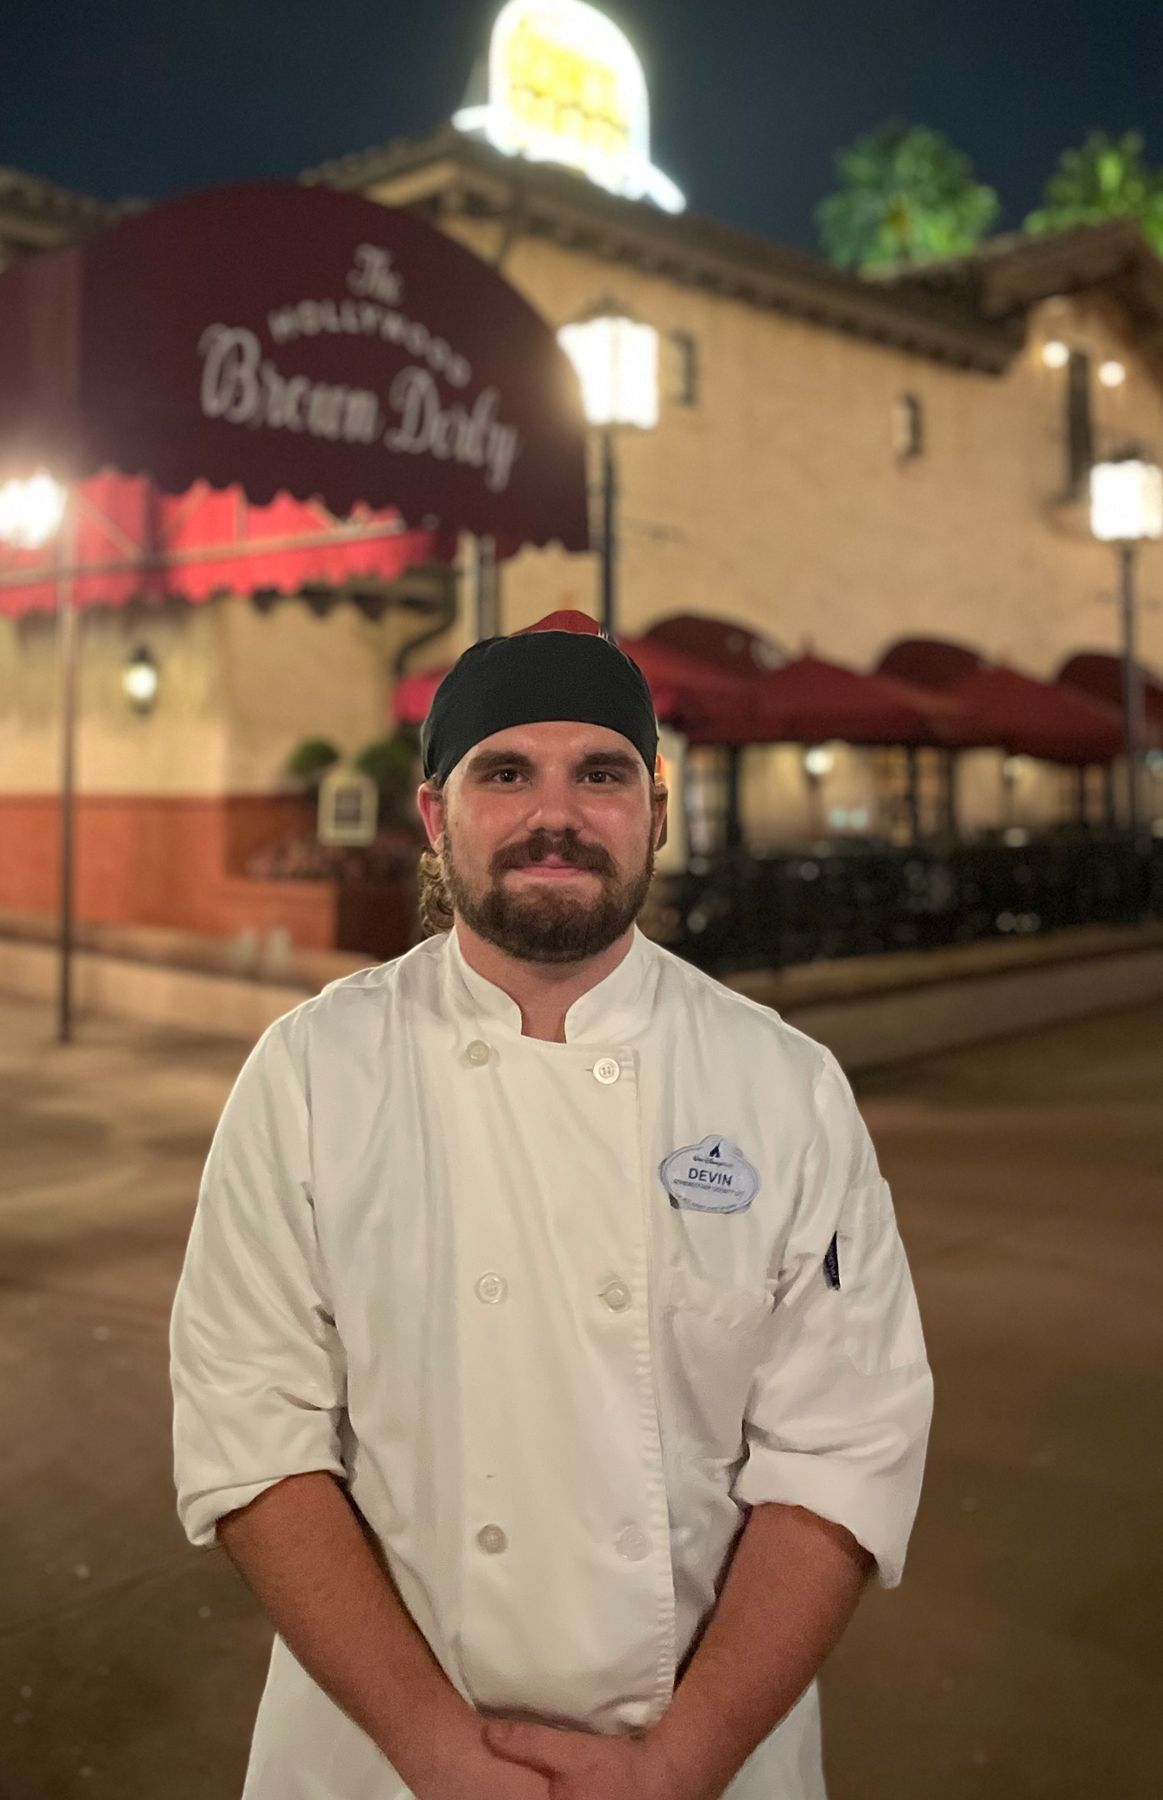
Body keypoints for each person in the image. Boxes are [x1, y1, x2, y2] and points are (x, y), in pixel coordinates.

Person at [170, 610, 932, 1800]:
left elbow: (842, 1453)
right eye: (506, 771)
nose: (556, 815)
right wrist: (432, 1749)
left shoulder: (784, 1087)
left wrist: (680, 1764)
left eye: (603, 773)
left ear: (657, 812)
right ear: (436, 814)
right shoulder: (312, 1074)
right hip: (377, 1761)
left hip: (708, 1757)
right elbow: (249, 1435)